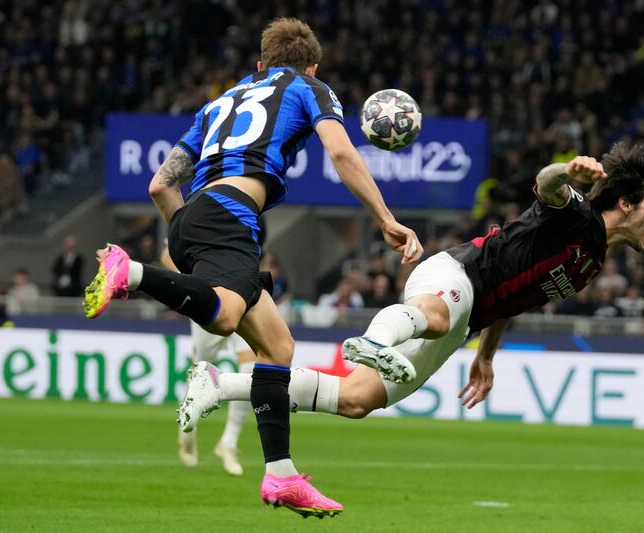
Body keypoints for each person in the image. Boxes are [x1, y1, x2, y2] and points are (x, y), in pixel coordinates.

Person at [82, 18, 421, 518]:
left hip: (190, 213)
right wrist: (386, 219)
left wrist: (186, 234)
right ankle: (129, 272)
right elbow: (341, 151)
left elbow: (159, 184)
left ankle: (281, 475)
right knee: (222, 317)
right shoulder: (311, 87)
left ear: (259, 64)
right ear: (312, 65)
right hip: (230, 216)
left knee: (277, 346)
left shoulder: (220, 102)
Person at [181, 143, 644, 429]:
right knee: (433, 318)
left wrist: (486, 356)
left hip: (467, 320)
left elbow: (520, 295)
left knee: (357, 401)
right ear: (626, 204)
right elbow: (546, 185)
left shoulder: (592, 261)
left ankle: (219, 386)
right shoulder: (579, 216)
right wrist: (568, 171)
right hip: (455, 276)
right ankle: (375, 339)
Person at [160, 244, 255, 477]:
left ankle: (229, 443)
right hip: (210, 301)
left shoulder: (248, 217)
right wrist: (192, 281)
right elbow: (166, 256)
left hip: (242, 297)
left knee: (251, 367)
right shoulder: (199, 215)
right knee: (200, 372)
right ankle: (187, 431)